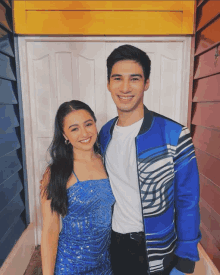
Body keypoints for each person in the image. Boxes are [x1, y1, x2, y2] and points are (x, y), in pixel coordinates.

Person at [98, 45, 201, 275]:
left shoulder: (174, 135)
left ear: (146, 83)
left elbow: (188, 199)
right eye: (118, 78)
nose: (125, 87)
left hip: (157, 249)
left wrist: (186, 256)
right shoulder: (104, 134)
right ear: (108, 84)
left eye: (134, 79)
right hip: (113, 243)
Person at [40, 100, 115, 275]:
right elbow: (50, 230)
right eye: (74, 129)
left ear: (95, 124)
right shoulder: (56, 172)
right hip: (71, 266)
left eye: (88, 124)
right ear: (65, 135)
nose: (84, 133)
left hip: (105, 264)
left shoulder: (107, 161)